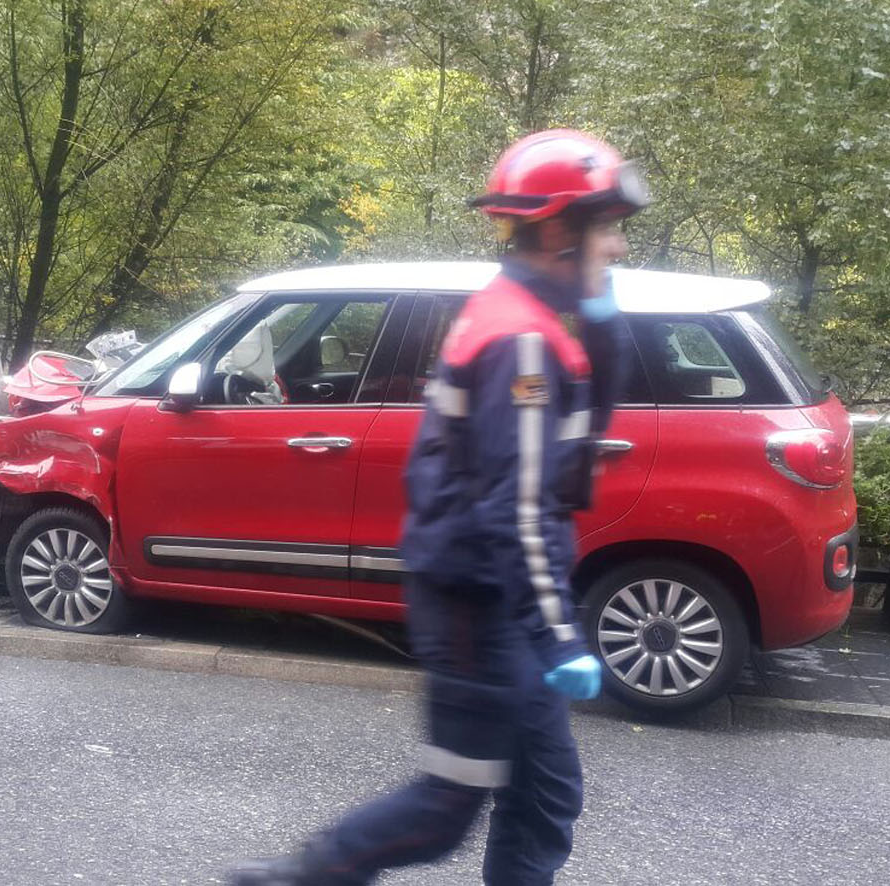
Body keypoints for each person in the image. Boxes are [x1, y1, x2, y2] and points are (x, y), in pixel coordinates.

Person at [226, 129, 650, 886]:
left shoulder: (535, 314)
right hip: (478, 604)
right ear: (557, 230)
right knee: (446, 808)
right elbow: (515, 512)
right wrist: (556, 638)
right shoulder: (521, 341)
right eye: (608, 227)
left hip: (503, 599)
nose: (617, 247)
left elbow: (583, 430)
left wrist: (610, 322)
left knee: (546, 795)